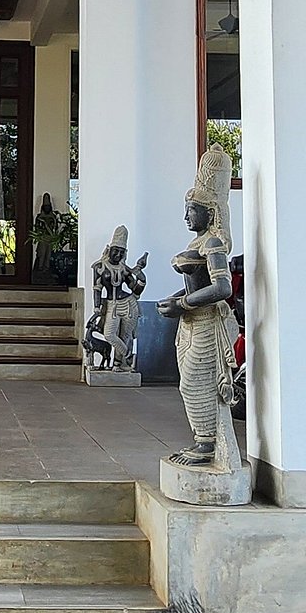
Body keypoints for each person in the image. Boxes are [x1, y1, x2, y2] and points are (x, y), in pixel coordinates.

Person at [159, 144, 240, 468]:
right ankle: (202, 439)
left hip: (206, 321)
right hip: (190, 322)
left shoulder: (214, 243)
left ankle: (207, 444)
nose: (186, 216)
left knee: (198, 382)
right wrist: (179, 303)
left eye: (192, 210)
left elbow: (222, 287)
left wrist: (182, 303)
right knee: (187, 383)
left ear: (210, 212)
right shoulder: (198, 242)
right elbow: (199, 284)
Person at [90, 226, 147, 370]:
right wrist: (97, 307)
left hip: (128, 304)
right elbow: (97, 289)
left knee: (125, 336)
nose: (117, 255)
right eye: (115, 251)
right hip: (111, 305)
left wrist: (142, 279)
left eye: (121, 252)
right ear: (109, 249)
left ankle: (117, 365)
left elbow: (135, 289)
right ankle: (129, 355)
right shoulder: (99, 267)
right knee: (109, 334)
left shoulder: (124, 269)